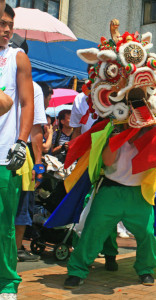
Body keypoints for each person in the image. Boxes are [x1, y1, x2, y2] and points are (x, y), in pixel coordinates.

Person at [64, 125, 156, 288]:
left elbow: (154, 156)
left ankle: (146, 270)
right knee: (93, 230)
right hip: (111, 190)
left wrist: (141, 131)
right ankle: (77, 271)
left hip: (139, 192)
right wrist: (118, 136)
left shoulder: (154, 133)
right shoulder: (113, 130)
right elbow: (107, 160)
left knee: (147, 233)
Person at [0, 3, 34, 299]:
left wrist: (22, 142)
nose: (7, 28)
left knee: (4, 224)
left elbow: (25, 103)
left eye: (10, 23)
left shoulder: (17, 57)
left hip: (3, 157)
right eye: (1, 23)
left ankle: (8, 281)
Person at [15, 82, 47, 262]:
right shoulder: (33, 87)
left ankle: (14, 251)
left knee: (21, 207)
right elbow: (36, 129)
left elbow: (35, 128)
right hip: (16, 151)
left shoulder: (32, 87)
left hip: (21, 152)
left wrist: (37, 163)